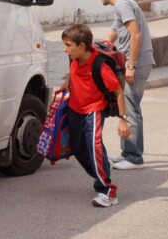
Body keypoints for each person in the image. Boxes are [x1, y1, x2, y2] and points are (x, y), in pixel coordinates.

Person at [61, 24, 130, 208]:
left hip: (93, 110)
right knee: (76, 147)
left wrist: (123, 120)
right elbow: (72, 71)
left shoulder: (100, 66)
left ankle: (108, 190)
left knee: (95, 147)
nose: (64, 49)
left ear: (82, 46)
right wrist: (66, 81)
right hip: (75, 109)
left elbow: (119, 93)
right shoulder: (74, 57)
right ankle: (101, 171)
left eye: (68, 45)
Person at [95, 0, 155, 170]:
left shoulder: (123, 4)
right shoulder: (121, 6)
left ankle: (134, 158)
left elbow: (135, 35)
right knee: (128, 108)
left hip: (137, 63)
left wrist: (131, 65)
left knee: (131, 109)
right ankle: (127, 153)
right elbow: (112, 35)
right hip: (136, 62)